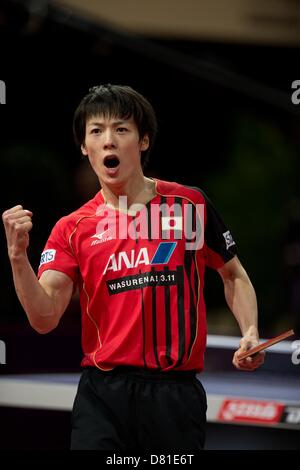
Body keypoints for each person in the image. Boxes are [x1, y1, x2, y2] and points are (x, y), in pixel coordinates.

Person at [2, 84, 264, 451]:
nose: (108, 140)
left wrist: (250, 331)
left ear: (143, 141)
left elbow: (233, 274)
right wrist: (17, 258)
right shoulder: (73, 228)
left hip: (174, 396)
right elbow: (44, 317)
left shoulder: (187, 205)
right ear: (84, 147)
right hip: (103, 396)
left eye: (121, 129)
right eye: (96, 131)